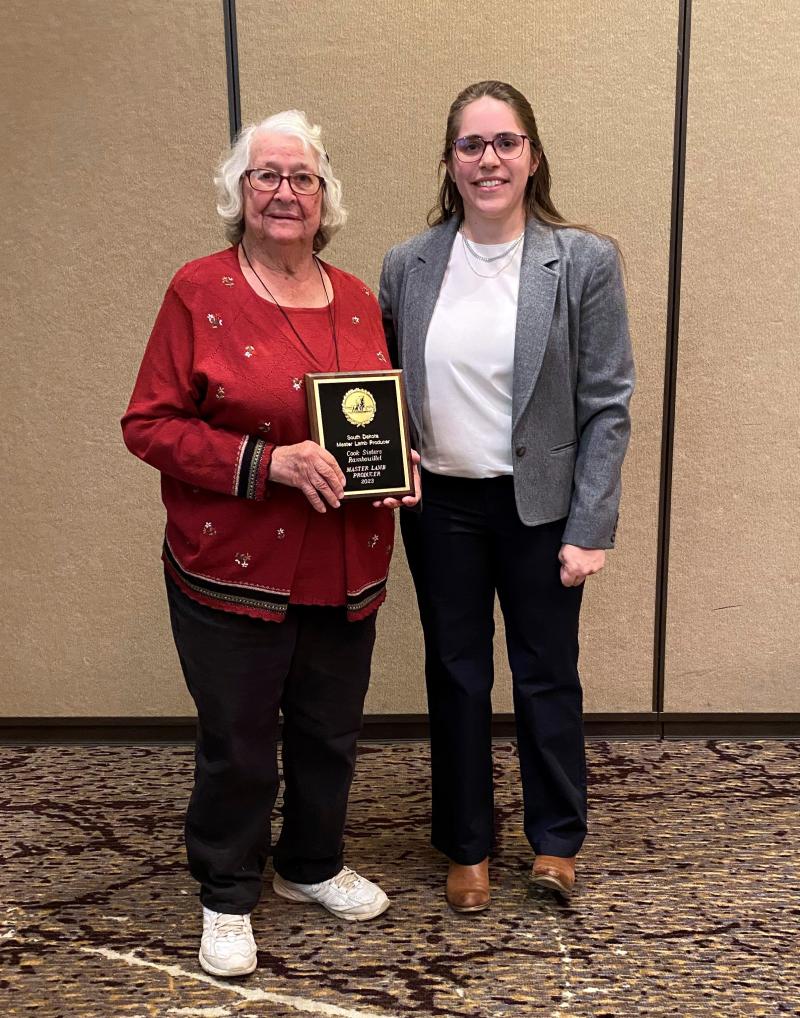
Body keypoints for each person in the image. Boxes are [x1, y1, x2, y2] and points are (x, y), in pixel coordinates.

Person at [122, 110, 419, 977]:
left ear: (325, 199)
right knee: (241, 738)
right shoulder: (198, 291)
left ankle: (311, 864)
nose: (286, 192)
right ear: (238, 193)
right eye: (267, 176)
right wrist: (269, 462)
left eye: (303, 178)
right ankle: (226, 888)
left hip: (346, 559)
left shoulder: (360, 296)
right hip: (233, 562)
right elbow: (148, 425)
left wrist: (397, 464)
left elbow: (370, 414)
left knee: (329, 731)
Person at [379, 81, 634, 912]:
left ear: (532, 156)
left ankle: (556, 841)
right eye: (470, 145)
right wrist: (384, 464)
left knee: (545, 674)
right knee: (454, 674)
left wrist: (591, 523)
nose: (488, 160)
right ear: (449, 163)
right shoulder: (408, 263)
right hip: (441, 506)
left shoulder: (583, 261)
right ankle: (466, 845)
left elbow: (607, 403)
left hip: (543, 509)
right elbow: (379, 387)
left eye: (505, 142)